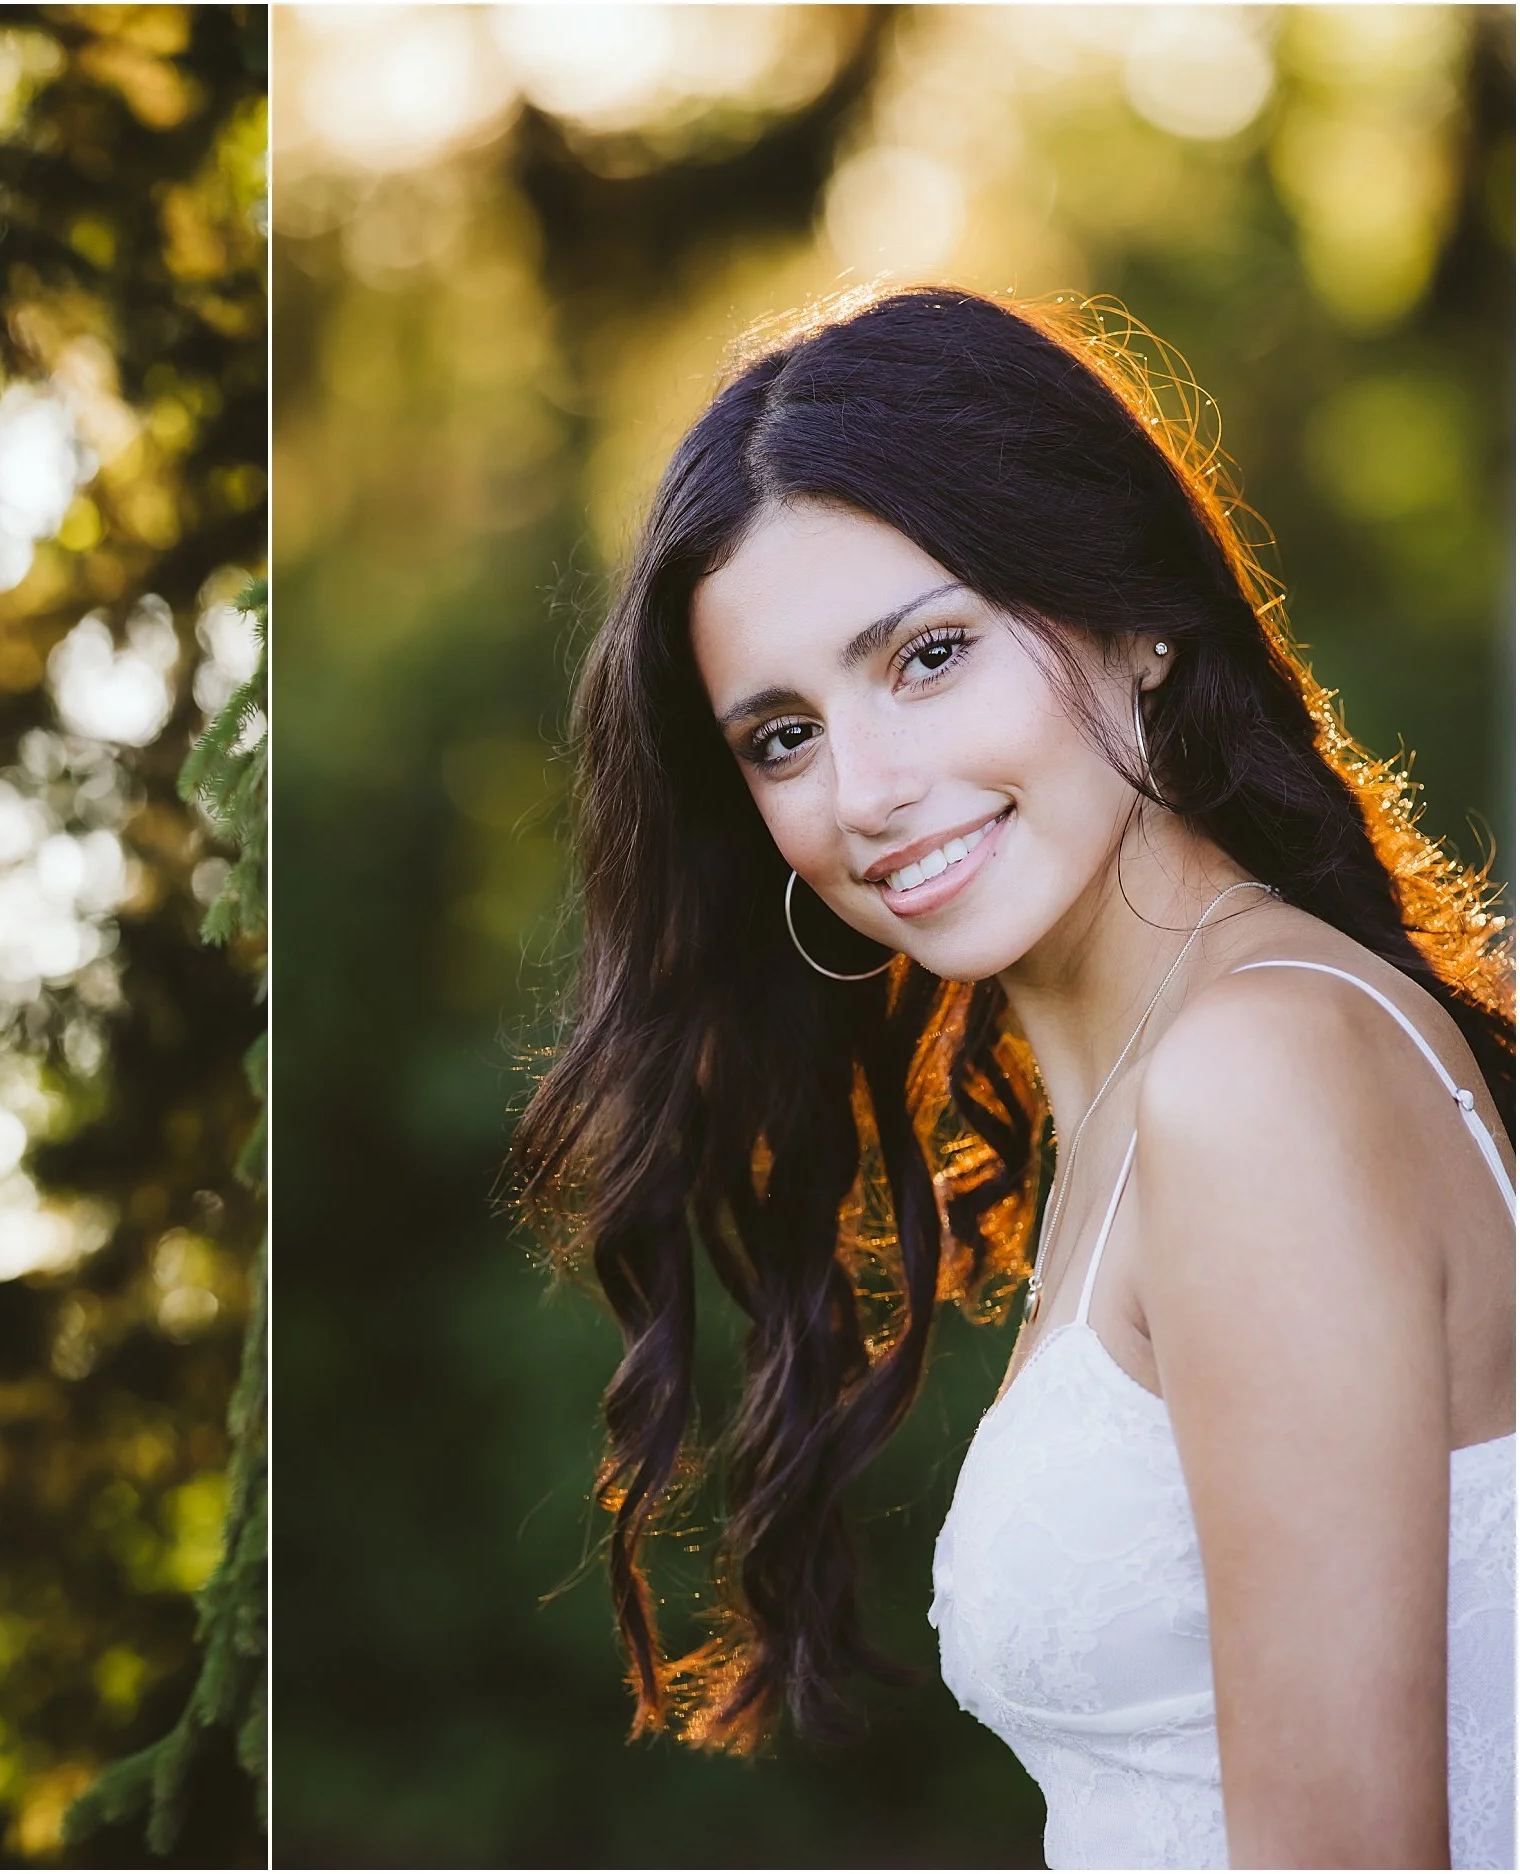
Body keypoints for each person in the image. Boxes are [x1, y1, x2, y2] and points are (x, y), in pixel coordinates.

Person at [506, 287, 1514, 1868]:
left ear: (1135, 616)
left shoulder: (1254, 1077)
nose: (868, 792)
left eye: (929, 654)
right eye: (781, 737)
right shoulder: (1173, 1076)